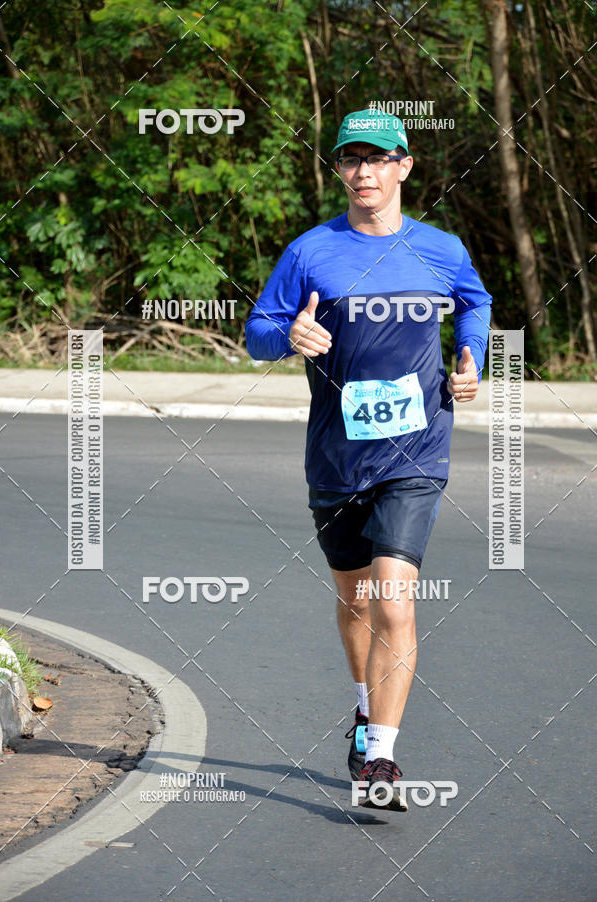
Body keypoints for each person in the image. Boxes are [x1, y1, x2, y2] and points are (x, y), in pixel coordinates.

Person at [245, 108, 491, 810]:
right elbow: (258, 331)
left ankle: (380, 759)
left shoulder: (440, 249)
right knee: (354, 600)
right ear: (340, 170)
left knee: (392, 598)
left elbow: (475, 302)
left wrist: (471, 358)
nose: (364, 172)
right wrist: (289, 335)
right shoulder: (310, 251)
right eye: (351, 159)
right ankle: (363, 706)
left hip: (417, 451)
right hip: (336, 457)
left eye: (378, 158)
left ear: (404, 167)